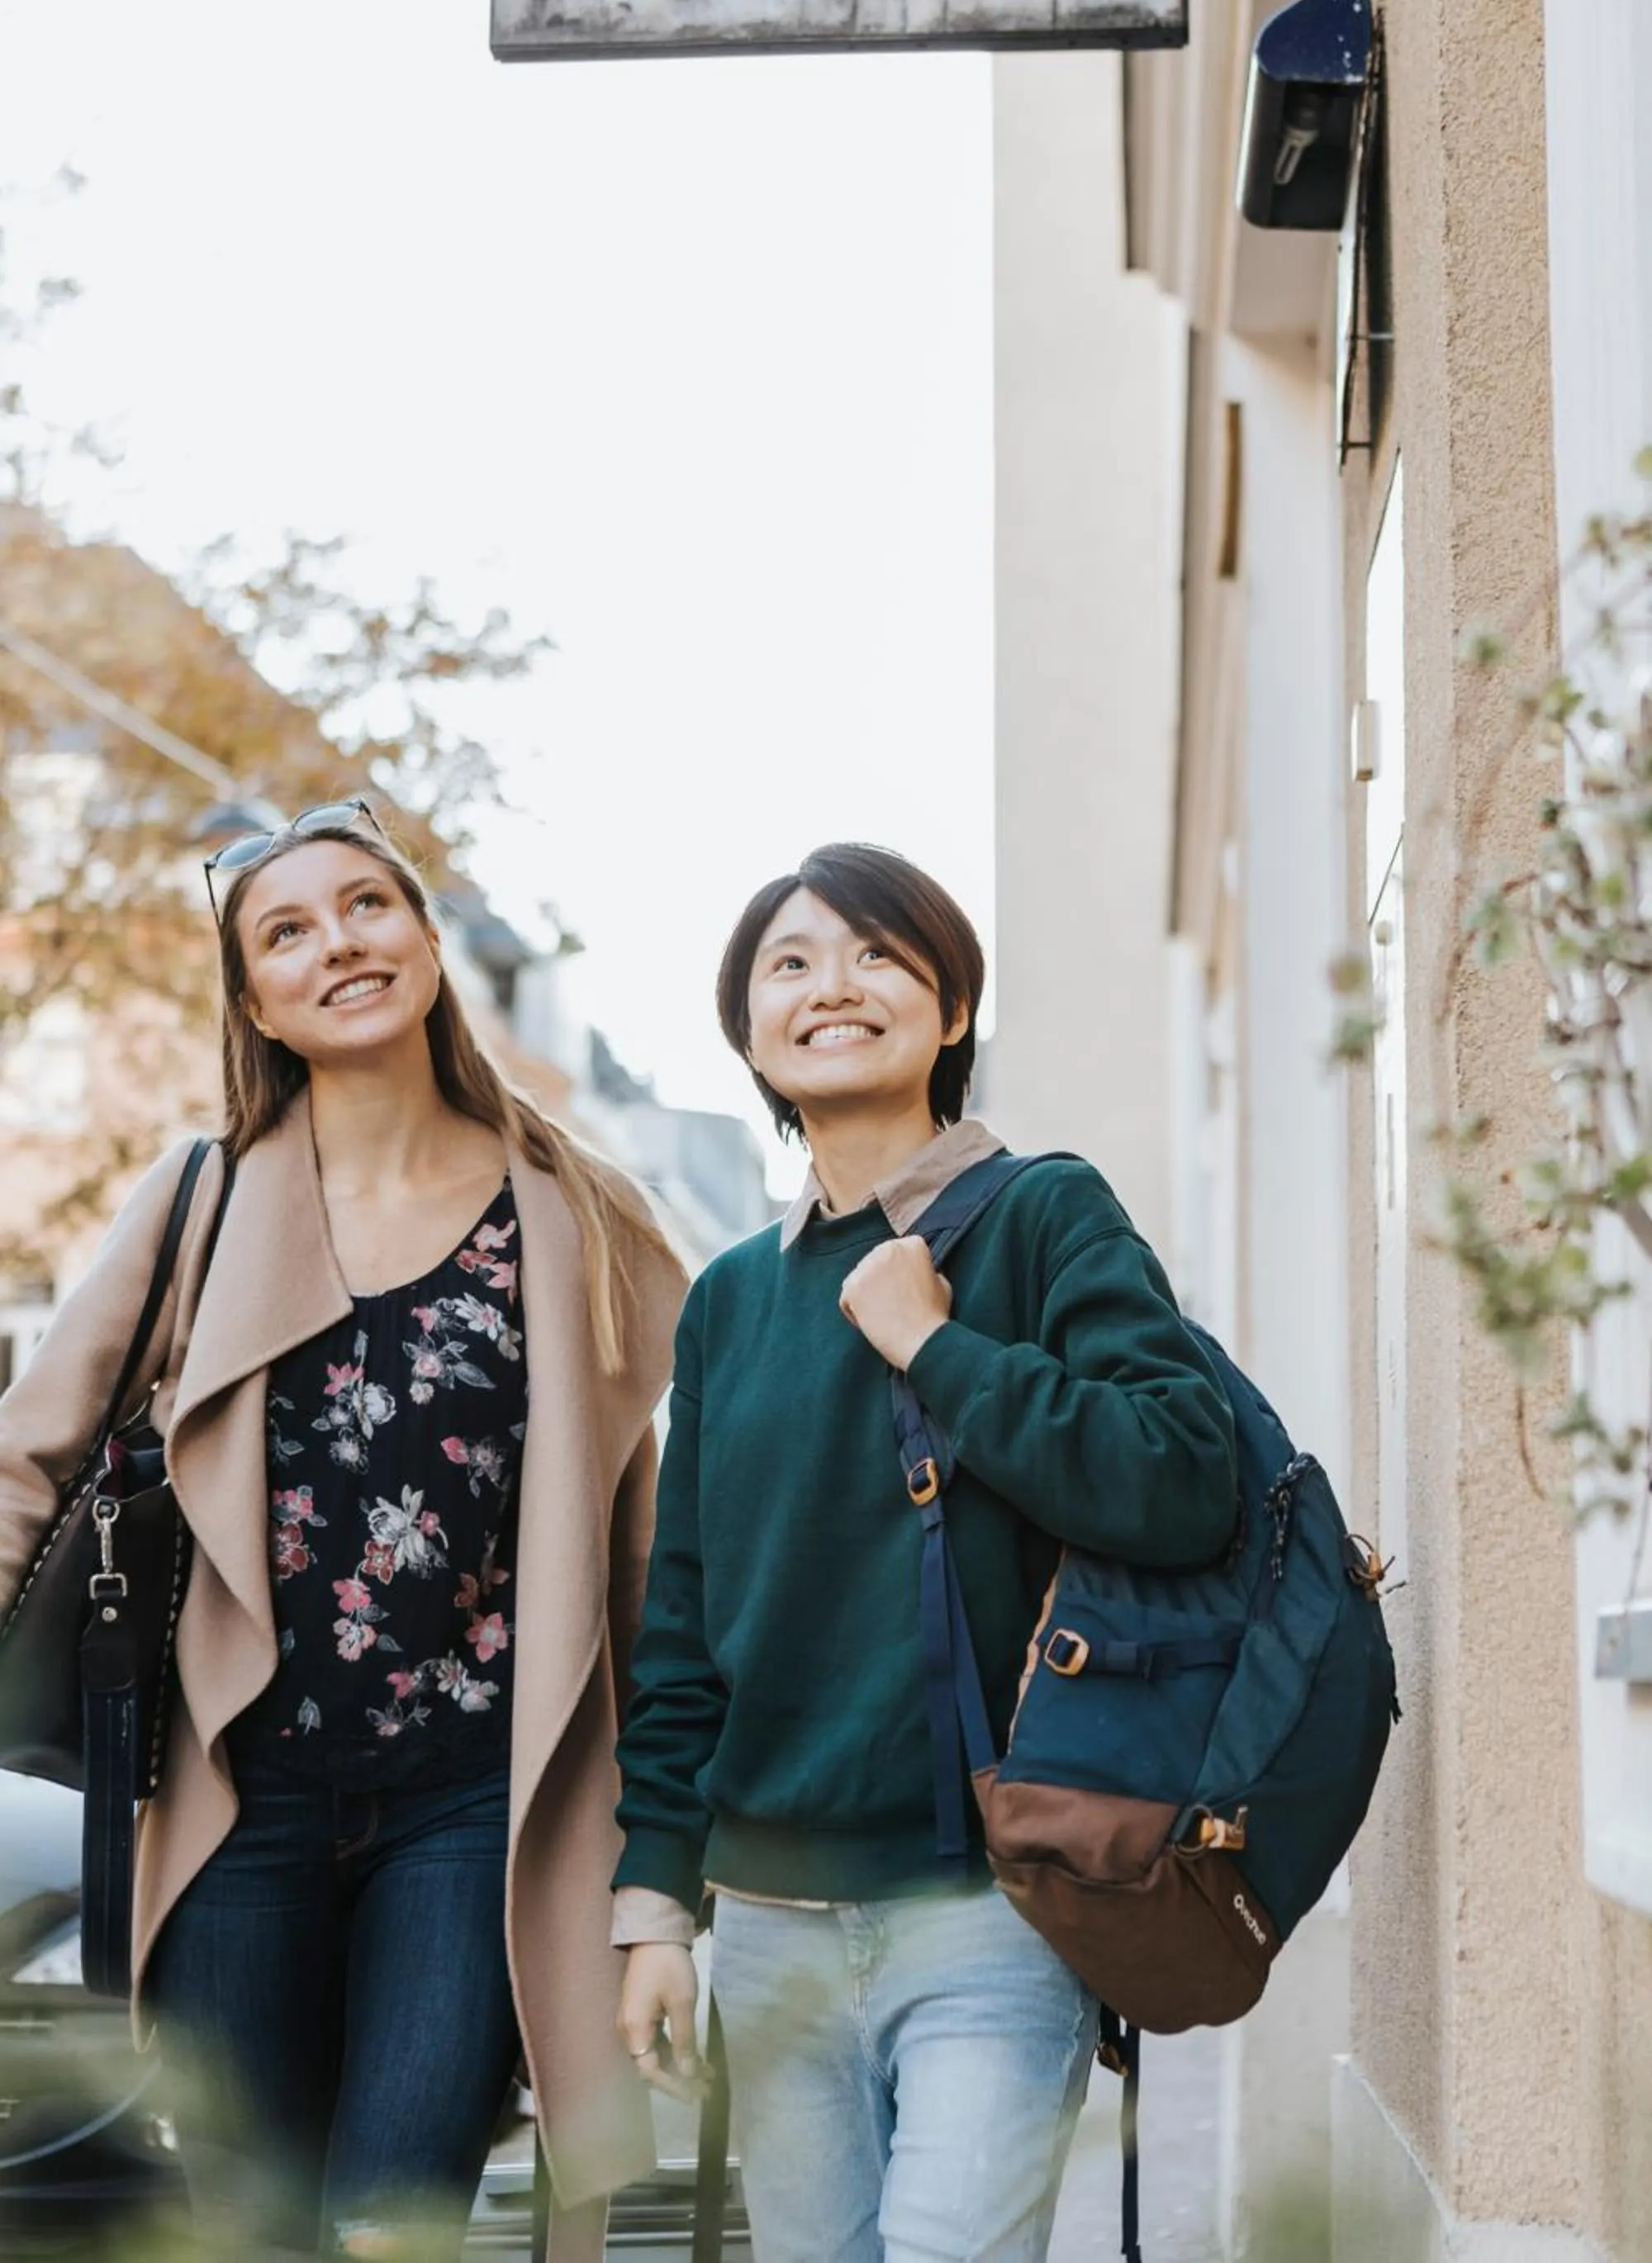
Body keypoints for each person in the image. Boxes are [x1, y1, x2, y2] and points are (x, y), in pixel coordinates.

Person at [0, 799, 686, 2263]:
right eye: (288, 932)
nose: (341, 946)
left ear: (429, 941)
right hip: (238, 1800)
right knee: (251, 2230)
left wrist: (663, 1866)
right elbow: (25, 1456)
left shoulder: (574, 1214)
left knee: (394, 2225)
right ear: (255, 1001)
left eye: (368, 906)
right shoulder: (200, 1201)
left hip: (472, 1807)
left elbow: (647, 1562)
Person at [611, 842, 1237, 2263]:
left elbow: (1181, 1479)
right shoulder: (728, 1302)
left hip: (988, 1915)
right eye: (791, 963)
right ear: (753, 1033)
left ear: (950, 1009)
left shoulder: (1043, 1215)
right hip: (765, 1928)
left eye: (876, 954)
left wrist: (935, 1348)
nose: (832, 985)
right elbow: (687, 1620)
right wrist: (655, 1905)